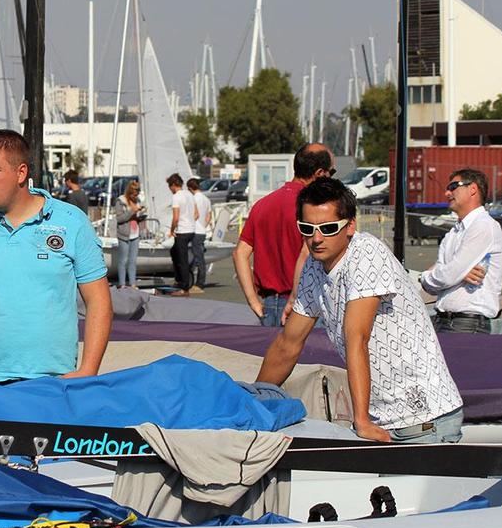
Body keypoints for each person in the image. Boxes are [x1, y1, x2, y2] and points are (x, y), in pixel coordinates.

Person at [256, 178, 463, 443]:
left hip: (424, 421)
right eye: (307, 229)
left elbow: (357, 337)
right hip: (383, 419)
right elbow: (288, 343)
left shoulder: (366, 253)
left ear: (350, 225)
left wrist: (361, 420)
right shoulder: (313, 266)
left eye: (328, 228)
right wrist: (254, 400)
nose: (316, 239)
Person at [0, 129, 112, 383]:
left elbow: (98, 300)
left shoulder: (71, 222)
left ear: (21, 173)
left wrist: (87, 371)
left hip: (55, 380)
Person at [233, 143, 333, 326]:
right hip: (304, 302)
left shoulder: (262, 205)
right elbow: (306, 253)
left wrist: (253, 300)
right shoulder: (313, 208)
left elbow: (240, 253)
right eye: (331, 173)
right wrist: (294, 298)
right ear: (320, 173)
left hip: (268, 305)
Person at [421, 169, 502, 334]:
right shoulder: (453, 233)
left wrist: (425, 276)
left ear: (473, 189)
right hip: (443, 320)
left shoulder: (483, 226)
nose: (447, 193)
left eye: (453, 187)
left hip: (468, 324)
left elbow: (448, 275)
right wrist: (458, 275)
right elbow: (439, 280)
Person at [167, 173, 197, 297]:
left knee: (182, 259)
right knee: (174, 252)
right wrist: (189, 221)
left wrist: (171, 230)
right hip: (191, 229)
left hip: (182, 231)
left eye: (170, 186)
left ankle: (184, 287)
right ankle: (179, 280)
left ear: (174, 185)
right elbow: (197, 213)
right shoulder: (189, 194)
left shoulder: (176, 197)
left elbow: (175, 218)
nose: (170, 189)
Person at [114, 180, 144, 288]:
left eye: (136, 194)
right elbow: (120, 218)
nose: (135, 196)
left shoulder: (137, 201)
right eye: (133, 194)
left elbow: (137, 216)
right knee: (123, 260)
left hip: (135, 234)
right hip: (124, 234)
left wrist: (141, 215)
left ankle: (132, 283)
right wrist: (132, 211)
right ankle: (122, 284)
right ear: (129, 192)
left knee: (133, 261)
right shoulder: (120, 201)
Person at [188, 177, 212, 293]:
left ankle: (199, 283)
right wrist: (203, 225)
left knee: (196, 258)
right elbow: (209, 216)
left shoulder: (193, 199)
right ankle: (197, 282)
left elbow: (194, 215)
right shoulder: (206, 199)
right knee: (199, 257)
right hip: (202, 230)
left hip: (195, 231)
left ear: (190, 188)